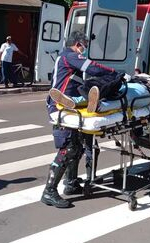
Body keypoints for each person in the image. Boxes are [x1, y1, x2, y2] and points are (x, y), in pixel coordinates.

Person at [42, 31, 117, 208]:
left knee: (77, 147)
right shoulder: (70, 55)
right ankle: (49, 191)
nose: (84, 49)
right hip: (59, 108)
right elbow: (93, 67)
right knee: (68, 148)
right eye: (83, 45)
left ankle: (71, 183)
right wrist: (115, 73)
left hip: (72, 109)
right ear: (77, 44)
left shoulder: (67, 58)